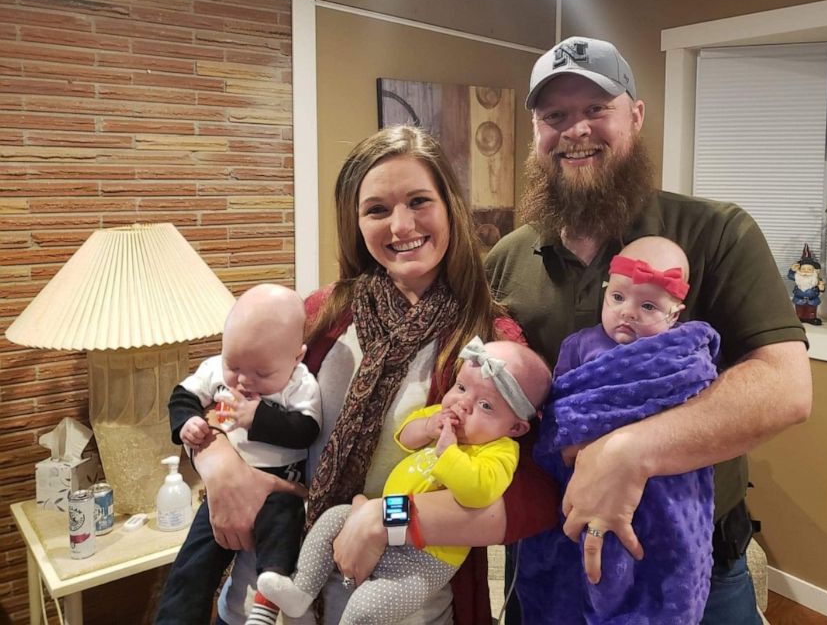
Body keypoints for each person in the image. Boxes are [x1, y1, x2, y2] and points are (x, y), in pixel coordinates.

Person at [486, 36, 813, 624]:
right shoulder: (507, 259)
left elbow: (786, 388)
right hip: (546, 560)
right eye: (554, 115)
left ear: (635, 116)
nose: (575, 129)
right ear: (536, 133)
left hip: (693, 567)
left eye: (595, 109)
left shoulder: (718, 234)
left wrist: (631, 452)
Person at [193, 126, 559, 625]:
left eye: (418, 201)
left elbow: (535, 497)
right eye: (378, 210)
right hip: (274, 591)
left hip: (402, 606)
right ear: (356, 222)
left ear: (450, 205)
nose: (401, 225)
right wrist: (218, 465)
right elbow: (225, 391)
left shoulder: (490, 344)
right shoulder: (321, 313)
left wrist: (385, 519)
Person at [257, 338, 551, 623]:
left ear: (515, 427)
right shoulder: (442, 416)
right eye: (460, 387)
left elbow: (479, 492)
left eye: (486, 406)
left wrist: (447, 455)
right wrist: (426, 427)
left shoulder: (499, 450)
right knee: (333, 518)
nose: (462, 404)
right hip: (375, 517)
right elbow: (405, 437)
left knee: (367, 608)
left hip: (427, 557)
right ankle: (301, 590)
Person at [518, 235, 721, 624]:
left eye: (647, 306)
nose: (627, 312)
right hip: (583, 479)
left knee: (652, 572)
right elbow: (562, 404)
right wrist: (577, 437)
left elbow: (697, 402)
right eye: (618, 298)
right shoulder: (579, 345)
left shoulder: (678, 352)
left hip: (658, 487)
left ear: (674, 316)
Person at [156, 284, 321, 625]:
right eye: (234, 366)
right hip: (219, 494)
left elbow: (307, 429)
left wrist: (257, 417)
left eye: (262, 373)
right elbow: (183, 395)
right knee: (192, 564)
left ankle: (264, 606)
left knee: (281, 543)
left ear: (297, 357)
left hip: (278, 490)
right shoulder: (216, 369)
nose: (243, 381)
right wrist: (186, 421)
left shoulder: (301, 384)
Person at [787, 244, 825, 325]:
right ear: (799, 270)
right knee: (799, 310)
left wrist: (821, 287)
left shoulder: (815, 279)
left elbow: (821, 288)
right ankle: (799, 318)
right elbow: (790, 276)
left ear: (814, 270)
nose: (806, 271)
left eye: (809, 269)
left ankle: (811, 318)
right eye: (803, 269)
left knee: (811, 310)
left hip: (812, 300)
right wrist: (792, 270)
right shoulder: (798, 277)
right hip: (799, 299)